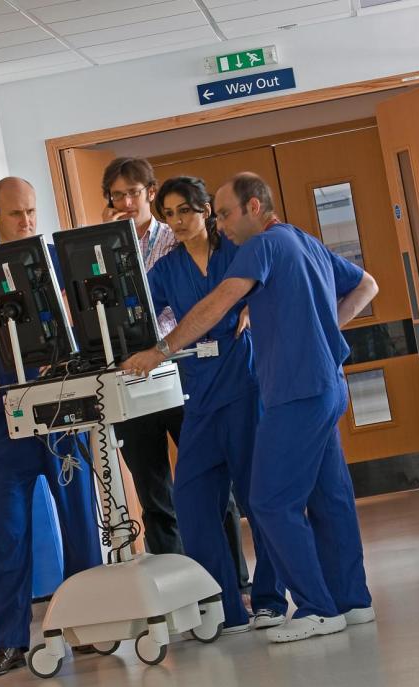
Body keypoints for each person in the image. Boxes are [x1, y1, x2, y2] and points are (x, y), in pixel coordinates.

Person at [123, 172, 380, 644]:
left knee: (270, 501)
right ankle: (353, 601)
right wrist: (326, 331)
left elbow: (217, 303)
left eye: (223, 213)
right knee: (330, 498)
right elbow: (367, 285)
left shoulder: (258, 247)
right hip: (325, 384)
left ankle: (317, 607)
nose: (220, 223)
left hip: (293, 392)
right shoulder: (302, 239)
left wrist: (161, 351)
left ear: (255, 208)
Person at [0, 177, 102, 678]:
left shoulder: (56, 261)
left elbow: (84, 323)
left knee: (82, 524)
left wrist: (22, 333)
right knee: (9, 534)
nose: (27, 222)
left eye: (33, 212)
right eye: (16, 214)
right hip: (7, 419)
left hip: (62, 414)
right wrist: (43, 333)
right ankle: (9, 642)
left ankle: (87, 628)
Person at [99, 157, 250, 593]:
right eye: (117, 195)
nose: (126, 202)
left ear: (150, 192)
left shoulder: (180, 241)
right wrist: (106, 243)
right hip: (134, 379)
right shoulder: (104, 248)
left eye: (134, 193)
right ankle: (176, 589)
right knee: (153, 494)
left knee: (211, 483)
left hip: (185, 376)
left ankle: (233, 579)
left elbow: (243, 285)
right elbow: (109, 307)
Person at [147, 176, 287, 632]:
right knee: (191, 501)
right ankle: (221, 606)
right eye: (168, 214)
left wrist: (253, 308)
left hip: (243, 382)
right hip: (199, 392)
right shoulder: (166, 270)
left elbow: (273, 288)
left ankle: (268, 598)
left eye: (184, 210)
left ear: (206, 209)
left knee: (256, 498)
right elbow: (134, 309)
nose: (177, 221)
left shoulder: (238, 252)